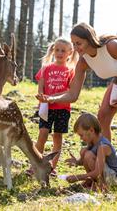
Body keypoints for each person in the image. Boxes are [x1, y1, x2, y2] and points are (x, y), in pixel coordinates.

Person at [36, 22, 117, 185]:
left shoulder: (111, 46)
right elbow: (73, 95)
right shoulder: (83, 62)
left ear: (89, 38)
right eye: (73, 44)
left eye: (78, 43)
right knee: (103, 116)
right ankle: (107, 168)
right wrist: (51, 99)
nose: (76, 47)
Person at [27, 37, 78, 177]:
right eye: (57, 50)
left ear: (70, 53)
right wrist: (41, 97)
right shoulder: (46, 68)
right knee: (42, 134)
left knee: (57, 137)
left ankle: (52, 167)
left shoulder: (71, 71)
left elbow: (70, 91)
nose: (60, 53)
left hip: (63, 109)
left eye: (63, 51)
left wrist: (54, 98)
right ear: (53, 50)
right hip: (46, 109)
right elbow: (41, 87)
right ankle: (35, 165)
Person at [65, 113, 117, 189]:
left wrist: (78, 177)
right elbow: (84, 161)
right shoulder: (92, 142)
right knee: (84, 151)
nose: (81, 139)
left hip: (113, 178)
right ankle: (92, 181)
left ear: (91, 130)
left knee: (88, 154)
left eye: (81, 135)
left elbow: (97, 172)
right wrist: (76, 162)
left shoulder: (103, 146)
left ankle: (101, 185)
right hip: (105, 173)